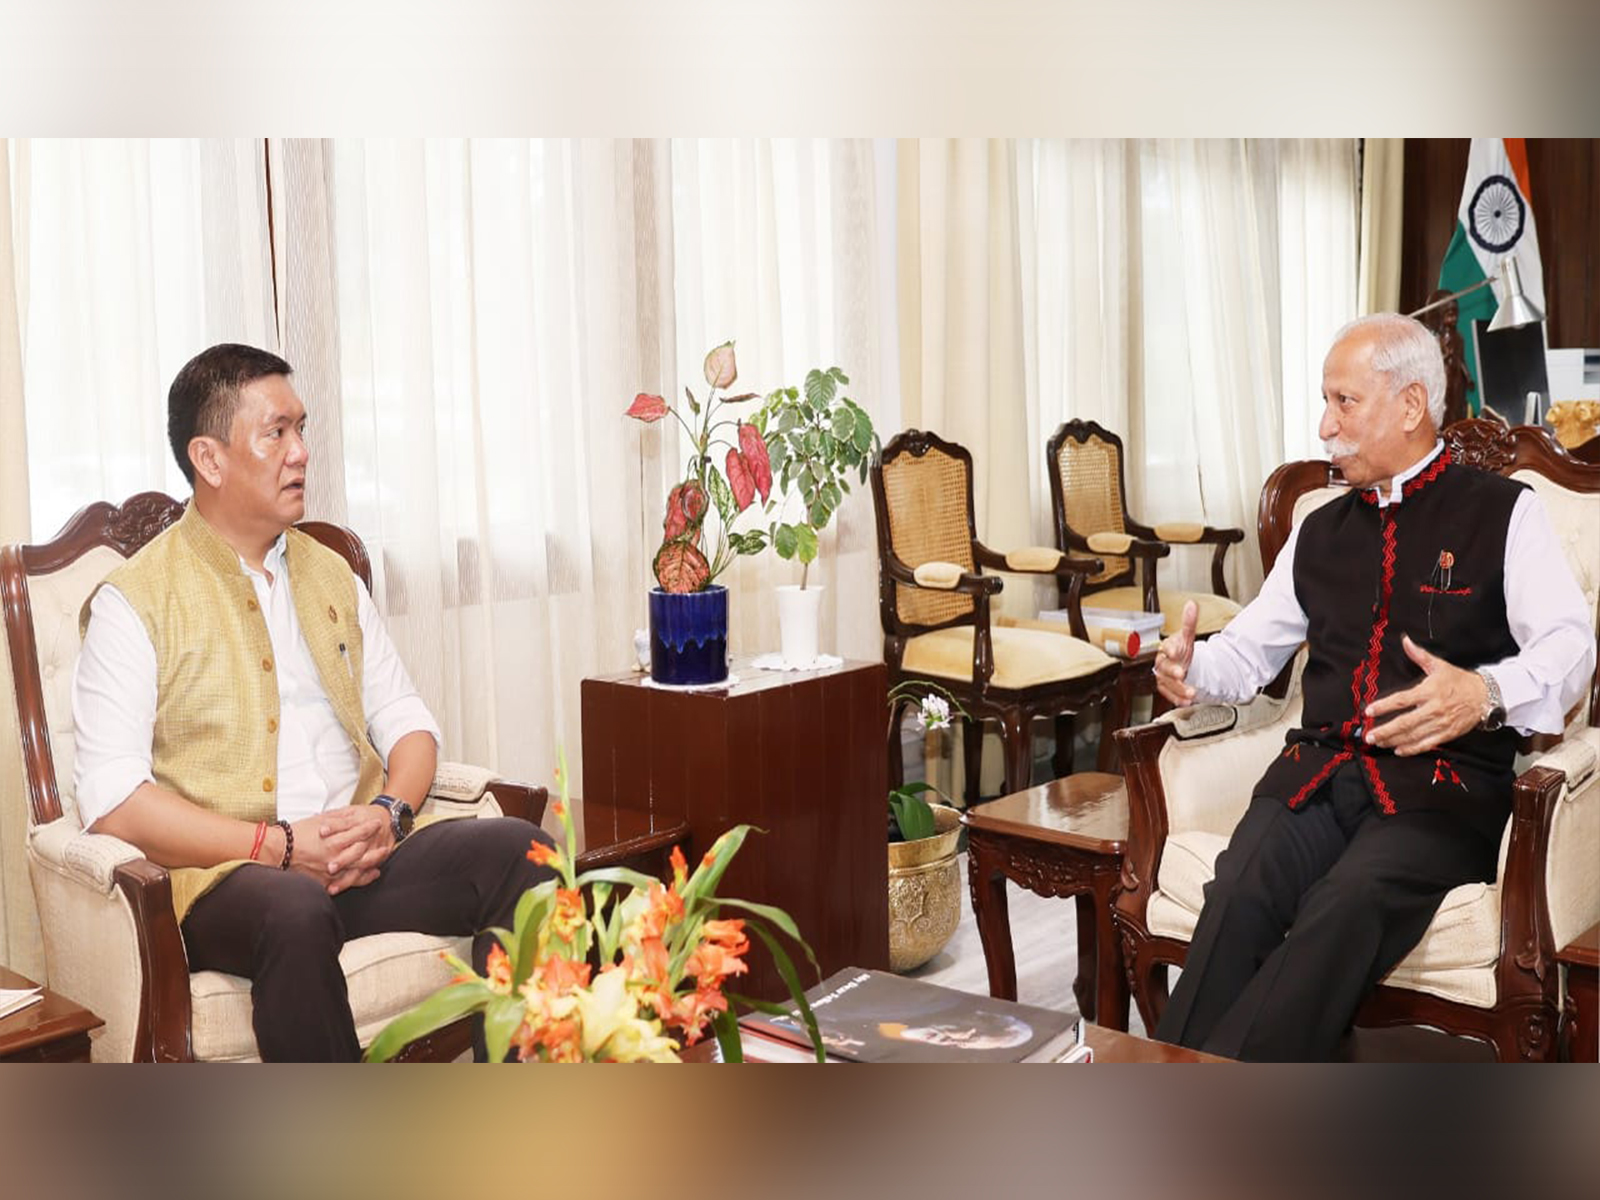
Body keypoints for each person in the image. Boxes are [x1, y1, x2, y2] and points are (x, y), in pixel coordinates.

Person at [72, 343, 556, 1061]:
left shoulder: (330, 574)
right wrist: (276, 847)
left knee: (527, 853)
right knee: (294, 907)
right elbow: (113, 800)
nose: (300, 452)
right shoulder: (135, 601)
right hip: (231, 880)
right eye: (277, 432)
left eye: (302, 429)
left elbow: (411, 727)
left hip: (360, 859)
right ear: (209, 459)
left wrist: (388, 815)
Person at [1149, 313, 1594, 1061]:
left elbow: (1571, 648)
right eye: (1326, 403)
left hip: (1442, 792)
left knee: (1341, 909)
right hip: (1314, 777)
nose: (1325, 426)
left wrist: (1483, 693)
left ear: (1412, 404)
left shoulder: (1507, 514)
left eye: (1344, 402)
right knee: (1237, 895)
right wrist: (1193, 669)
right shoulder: (1319, 527)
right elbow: (1251, 654)